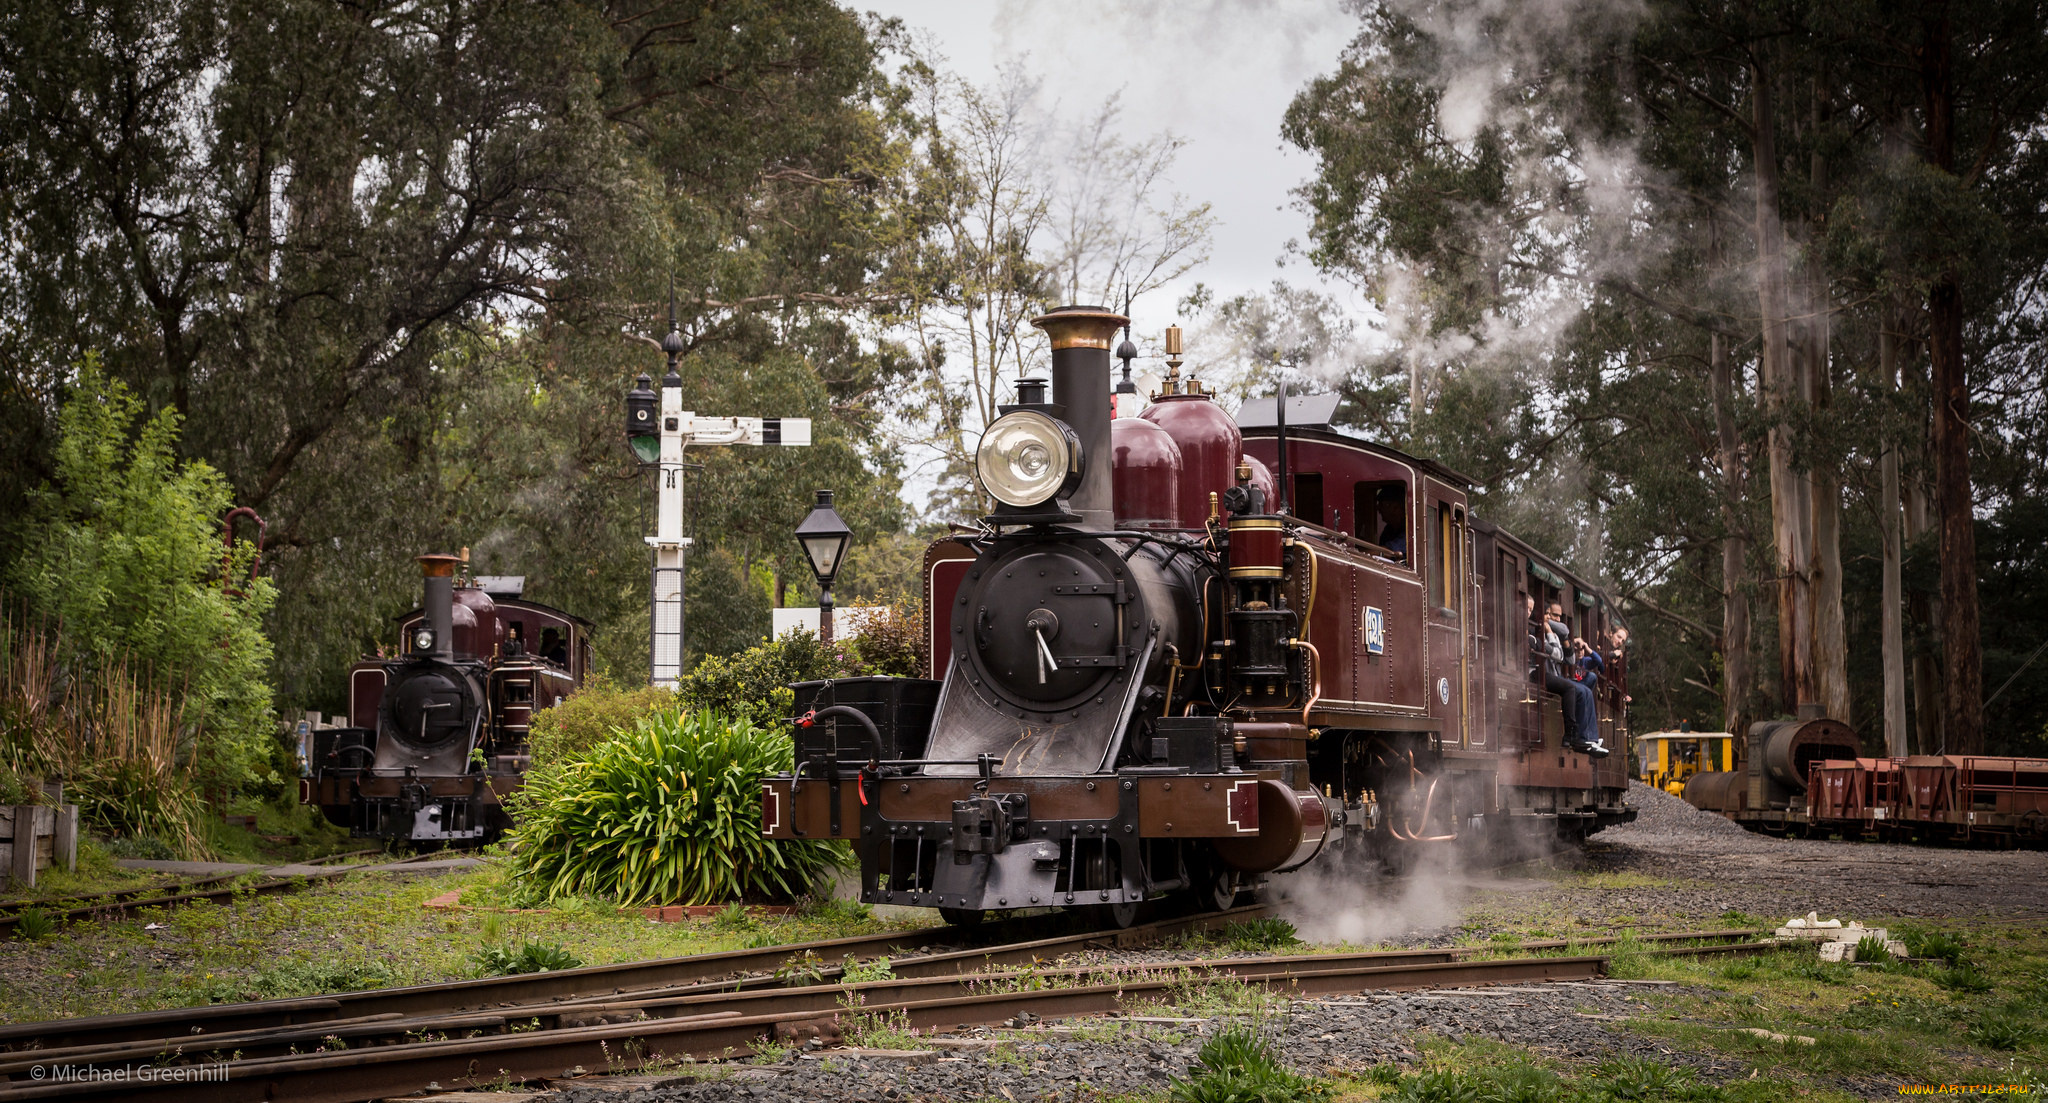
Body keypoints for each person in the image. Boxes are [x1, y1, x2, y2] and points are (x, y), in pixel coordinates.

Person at [1542, 600, 1607, 756]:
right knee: (1579, 689)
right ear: (1545, 615)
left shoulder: (1558, 635)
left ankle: (1590, 737)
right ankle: (1581, 736)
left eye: (1559, 616)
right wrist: (1552, 632)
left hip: (1558, 677)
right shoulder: (1542, 632)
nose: (1556, 620)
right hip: (1547, 676)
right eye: (1552, 615)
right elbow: (1557, 655)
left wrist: (1565, 639)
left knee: (1588, 683)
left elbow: (1569, 660)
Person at [1375, 486, 1407, 558]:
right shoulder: (1388, 530)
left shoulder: (1409, 529)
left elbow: (1389, 551)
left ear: (1396, 507)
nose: (1378, 509)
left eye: (1382, 505)